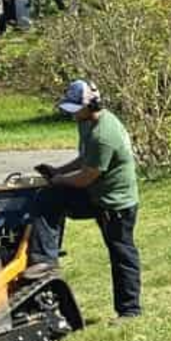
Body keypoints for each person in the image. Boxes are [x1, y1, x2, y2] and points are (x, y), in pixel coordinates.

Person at [29, 79, 141, 320]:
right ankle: (44, 261)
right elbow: (85, 159)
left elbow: (86, 176)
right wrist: (58, 171)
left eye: (76, 109)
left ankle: (130, 311)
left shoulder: (104, 134)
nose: (72, 114)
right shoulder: (85, 122)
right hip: (95, 194)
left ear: (92, 105)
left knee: (121, 254)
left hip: (115, 204)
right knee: (48, 198)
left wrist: (60, 180)